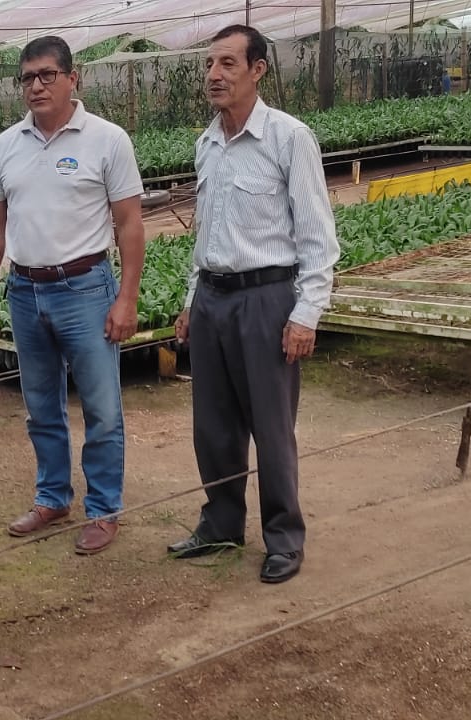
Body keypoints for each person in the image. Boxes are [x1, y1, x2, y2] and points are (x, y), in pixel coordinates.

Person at [167, 25, 340, 584]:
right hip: (213, 298)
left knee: (272, 426)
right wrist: (192, 299)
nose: (214, 75)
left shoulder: (289, 138)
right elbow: (207, 234)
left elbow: (317, 238)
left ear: (258, 70)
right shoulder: (208, 143)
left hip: (267, 299)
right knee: (213, 426)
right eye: (209, 65)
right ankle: (220, 523)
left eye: (228, 64)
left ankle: (284, 537)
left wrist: (306, 313)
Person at [0, 36, 146, 556]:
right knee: (41, 407)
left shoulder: (108, 140)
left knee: (102, 408)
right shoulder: (5, 146)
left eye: (47, 74)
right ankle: (52, 498)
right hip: (25, 291)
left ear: (74, 78)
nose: (37, 86)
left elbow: (129, 223)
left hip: (86, 289)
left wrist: (127, 298)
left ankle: (103, 509)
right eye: (27, 77)